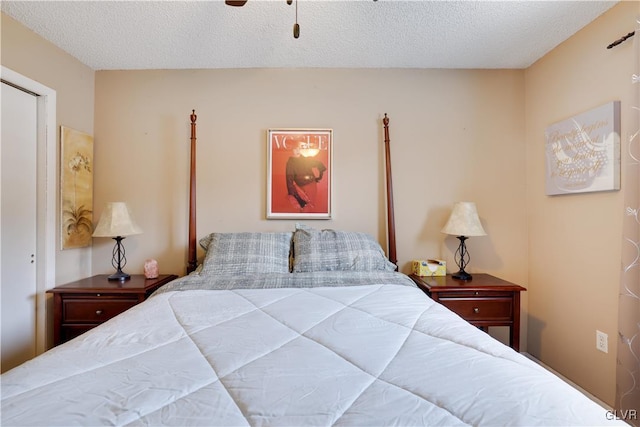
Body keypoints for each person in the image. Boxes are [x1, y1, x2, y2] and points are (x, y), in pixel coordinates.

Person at [285, 143, 327, 212]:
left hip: (312, 185)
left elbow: (319, 164)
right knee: (304, 208)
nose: (297, 150)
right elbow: (289, 181)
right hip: (302, 188)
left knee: (310, 206)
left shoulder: (305, 159)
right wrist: (298, 199)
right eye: (295, 148)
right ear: (292, 150)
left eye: (299, 148)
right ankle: (303, 221)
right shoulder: (290, 163)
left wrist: (320, 176)